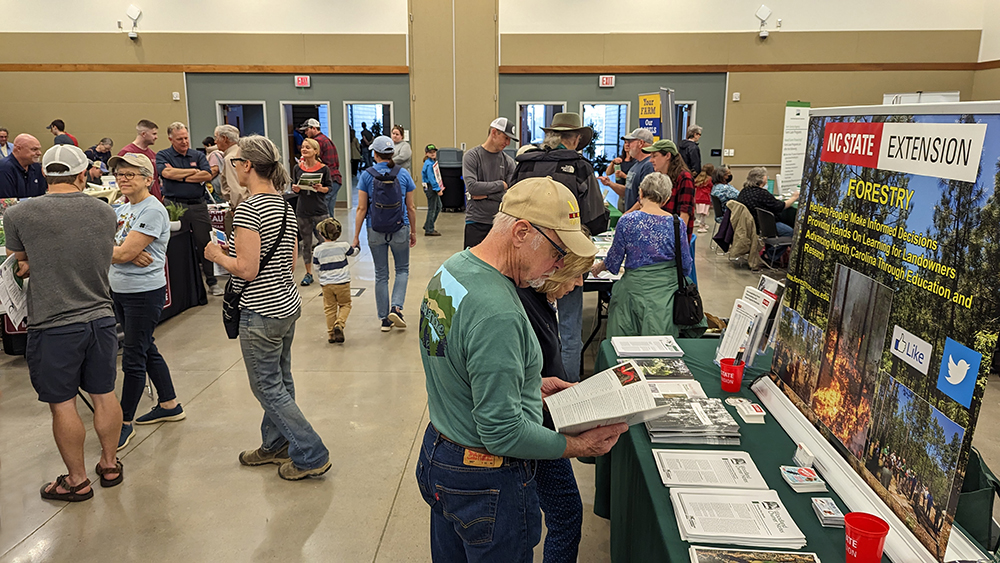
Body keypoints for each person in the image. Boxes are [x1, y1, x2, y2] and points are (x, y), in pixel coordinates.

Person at [415, 177, 628, 561]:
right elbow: (502, 432)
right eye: (558, 253)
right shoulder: (499, 311)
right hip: (486, 481)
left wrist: (528, 383)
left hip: (439, 455)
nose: (559, 267)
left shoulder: (450, 271)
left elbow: (452, 363)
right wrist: (580, 445)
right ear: (521, 232)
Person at [204, 134, 331, 481]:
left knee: (267, 386)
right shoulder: (283, 204)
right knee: (280, 379)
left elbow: (246, 269)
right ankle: (275, 444)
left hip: (261, 311)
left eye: (235, 163)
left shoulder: (248, 208)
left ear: (247, 166)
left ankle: (311, 452)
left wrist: (217, 255)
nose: (233, 168)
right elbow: (290, 259)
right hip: (286, 304)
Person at [4, 144, 123, 502]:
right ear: (83, 174)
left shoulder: (21, 214)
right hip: (100, 317)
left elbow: (18, 263)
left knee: (64, 404)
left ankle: (76, 479)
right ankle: (110, 463)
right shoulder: (104, 212)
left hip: (53, 322)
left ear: (45, 175)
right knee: (104, 394)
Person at [513, 111, 609, 381]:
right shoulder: (580, 167)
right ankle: (568, 393)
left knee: (529, 325)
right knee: (568, 331)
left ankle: (532, 385)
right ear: (576, 138)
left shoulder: (524, 164)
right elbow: (596, 220)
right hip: (566, 259)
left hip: (525, 258)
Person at [516, 250, 595, 563]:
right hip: (536, 431)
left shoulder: (539, 300)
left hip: (544, 416)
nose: (578, 285)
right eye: (574, 275)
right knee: (565, 514)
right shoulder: (517, 308)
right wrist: (576, 445)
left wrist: (539, 385)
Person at [106, 153, 184, 450]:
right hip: (121, 289)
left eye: (130, 174)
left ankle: (124, 422)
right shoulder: (123, 208)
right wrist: (122, 250)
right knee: (146, 346)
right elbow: (114, 247)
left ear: (148, 179)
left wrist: (122, 251)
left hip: (143, 293)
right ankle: (169, 404)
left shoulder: (152, 211)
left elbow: (119, 252)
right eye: (120, 174)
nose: (123, 178)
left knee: (134, 356)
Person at [592, 172, 705, 337]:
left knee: (625, 346)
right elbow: (686, 264)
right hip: (666, 297)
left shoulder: (627, 221)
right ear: (665, 199)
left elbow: (614, 261)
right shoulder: (676, 223)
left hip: (633, 294)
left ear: (641, 193)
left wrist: (598, 267)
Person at [352, 135, 418, 332]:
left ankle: (384, 319)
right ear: (391, 153)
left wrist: (356, 236)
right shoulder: (403, 174)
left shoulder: (366, 175)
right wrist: (413, 231)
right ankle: (396, 308)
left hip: (375, 229)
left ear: (375, 153)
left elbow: (361, 209)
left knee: (381, 274)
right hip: (400, 228)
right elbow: (411, 207)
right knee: (402, 270)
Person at [156, 122, 220, 295]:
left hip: (198, 205)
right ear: (171, 139)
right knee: (178, 244)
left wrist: (179, 176)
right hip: (175, 205)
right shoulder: (163, 155)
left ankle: (212, 282)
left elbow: (207, 175)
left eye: (186, 138)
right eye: (179, 139)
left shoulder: (197, 154)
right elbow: (166, 174)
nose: (184, 142)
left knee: (205, 242)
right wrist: (192, 173)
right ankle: (183, 286)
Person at [462, 117, 517, 248]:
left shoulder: (509, 162)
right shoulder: (472, 156)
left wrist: (486, 195)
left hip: (501, 224)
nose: (508, 143)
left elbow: (512, 196)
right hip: (476, 222)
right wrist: (501, 185)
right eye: (506, 138)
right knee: (472, 266)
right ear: (494, 133)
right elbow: (473, 187)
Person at [291, 137, 332, 287]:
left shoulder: (323, 168)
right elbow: (294, 185)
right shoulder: (297, 168)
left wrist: (321, 189)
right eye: (303, 147)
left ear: (316, 151)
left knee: (324, 242)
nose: (304, 149)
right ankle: (308, 273)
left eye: (308, 147)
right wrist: (296, 188)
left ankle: (326, 272)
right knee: (306, 244)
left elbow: (329, 188)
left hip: (320, 209)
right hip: (303, 210)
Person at [636, 139, 696, 240]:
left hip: (671, 240)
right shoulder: (658, 177)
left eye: (654, 156)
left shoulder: (684, 178)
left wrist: (677, 241)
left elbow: (685, 214)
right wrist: (628, 213)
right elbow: (643, 200)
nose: (651, 160)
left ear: (667, 156)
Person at [736, 166, 799, 262]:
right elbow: (781, 206)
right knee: (790, 232)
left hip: (750, 223)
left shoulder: (744, 191)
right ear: (762, 179)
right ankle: (769, 256)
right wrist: (794, 197)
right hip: (763, 225)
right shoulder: (762, 194)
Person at [313, 218, 359, 344]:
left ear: (321, 234)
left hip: (326, 284)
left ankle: (331, 334)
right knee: (345, 305)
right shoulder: (343, 246)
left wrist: (321, 278)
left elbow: (316, 267)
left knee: (329, 308)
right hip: (342, 282)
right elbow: (354, 252)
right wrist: (357, 247)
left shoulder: (318, 250)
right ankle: (339, 324)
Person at [600, 128, 654, 211]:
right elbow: (627, 191)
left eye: (630, 142)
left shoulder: (649, 166)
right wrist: (610, 183)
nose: (627, 145)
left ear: (641, 143)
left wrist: (628, 214)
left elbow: (647, 199)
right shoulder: (636, 166)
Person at [299, 118, 343, 219]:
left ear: (313, 128)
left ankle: (322, 233)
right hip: (335, 179)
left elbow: (314, 164)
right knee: (329, 213)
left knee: (321, 213)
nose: (305, 133)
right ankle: (329, 233)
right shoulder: (326, 139)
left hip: (327, 180)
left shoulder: (316, 143)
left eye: (307, 130)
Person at [119, 119, 163, 201]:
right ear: (143, 134)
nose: (156, 137)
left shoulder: (153, 154)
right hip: (136, 202)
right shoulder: (127, 152)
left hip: (155, 200)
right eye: (154, 134)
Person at [0, 133, 45, 199]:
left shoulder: (36, 167)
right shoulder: (4, 169)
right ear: (18, 149)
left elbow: (42, 197)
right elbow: (8, 203)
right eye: (34, 149)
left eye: (39, 149)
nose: (39, 153)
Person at [214, 124, 246, 208]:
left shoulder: (230, 159)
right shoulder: (242, 153)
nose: (215, 141)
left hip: (240, 207)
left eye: (216, 138)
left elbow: (237, 189)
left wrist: (236, 208)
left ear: (224, 139)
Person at [421, 144, 443, 236]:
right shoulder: (429, 164)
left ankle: (428, 224)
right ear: (426, 154)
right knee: (432, 208)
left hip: (432, 186)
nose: (433, 154)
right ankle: (429, 229)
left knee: (438, 206)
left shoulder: (432, 162)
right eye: (430, 152)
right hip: (431, 187)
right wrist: (438, 189)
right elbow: (431, 178)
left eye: (434, 152)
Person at [693, 162, 715, 233]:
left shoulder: (699, 178)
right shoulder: (710, 180)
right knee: (704, 213)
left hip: (698, 198)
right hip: (705, 198)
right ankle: (701, 226)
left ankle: (701, 223)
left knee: (700, 212)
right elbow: (712, 187)